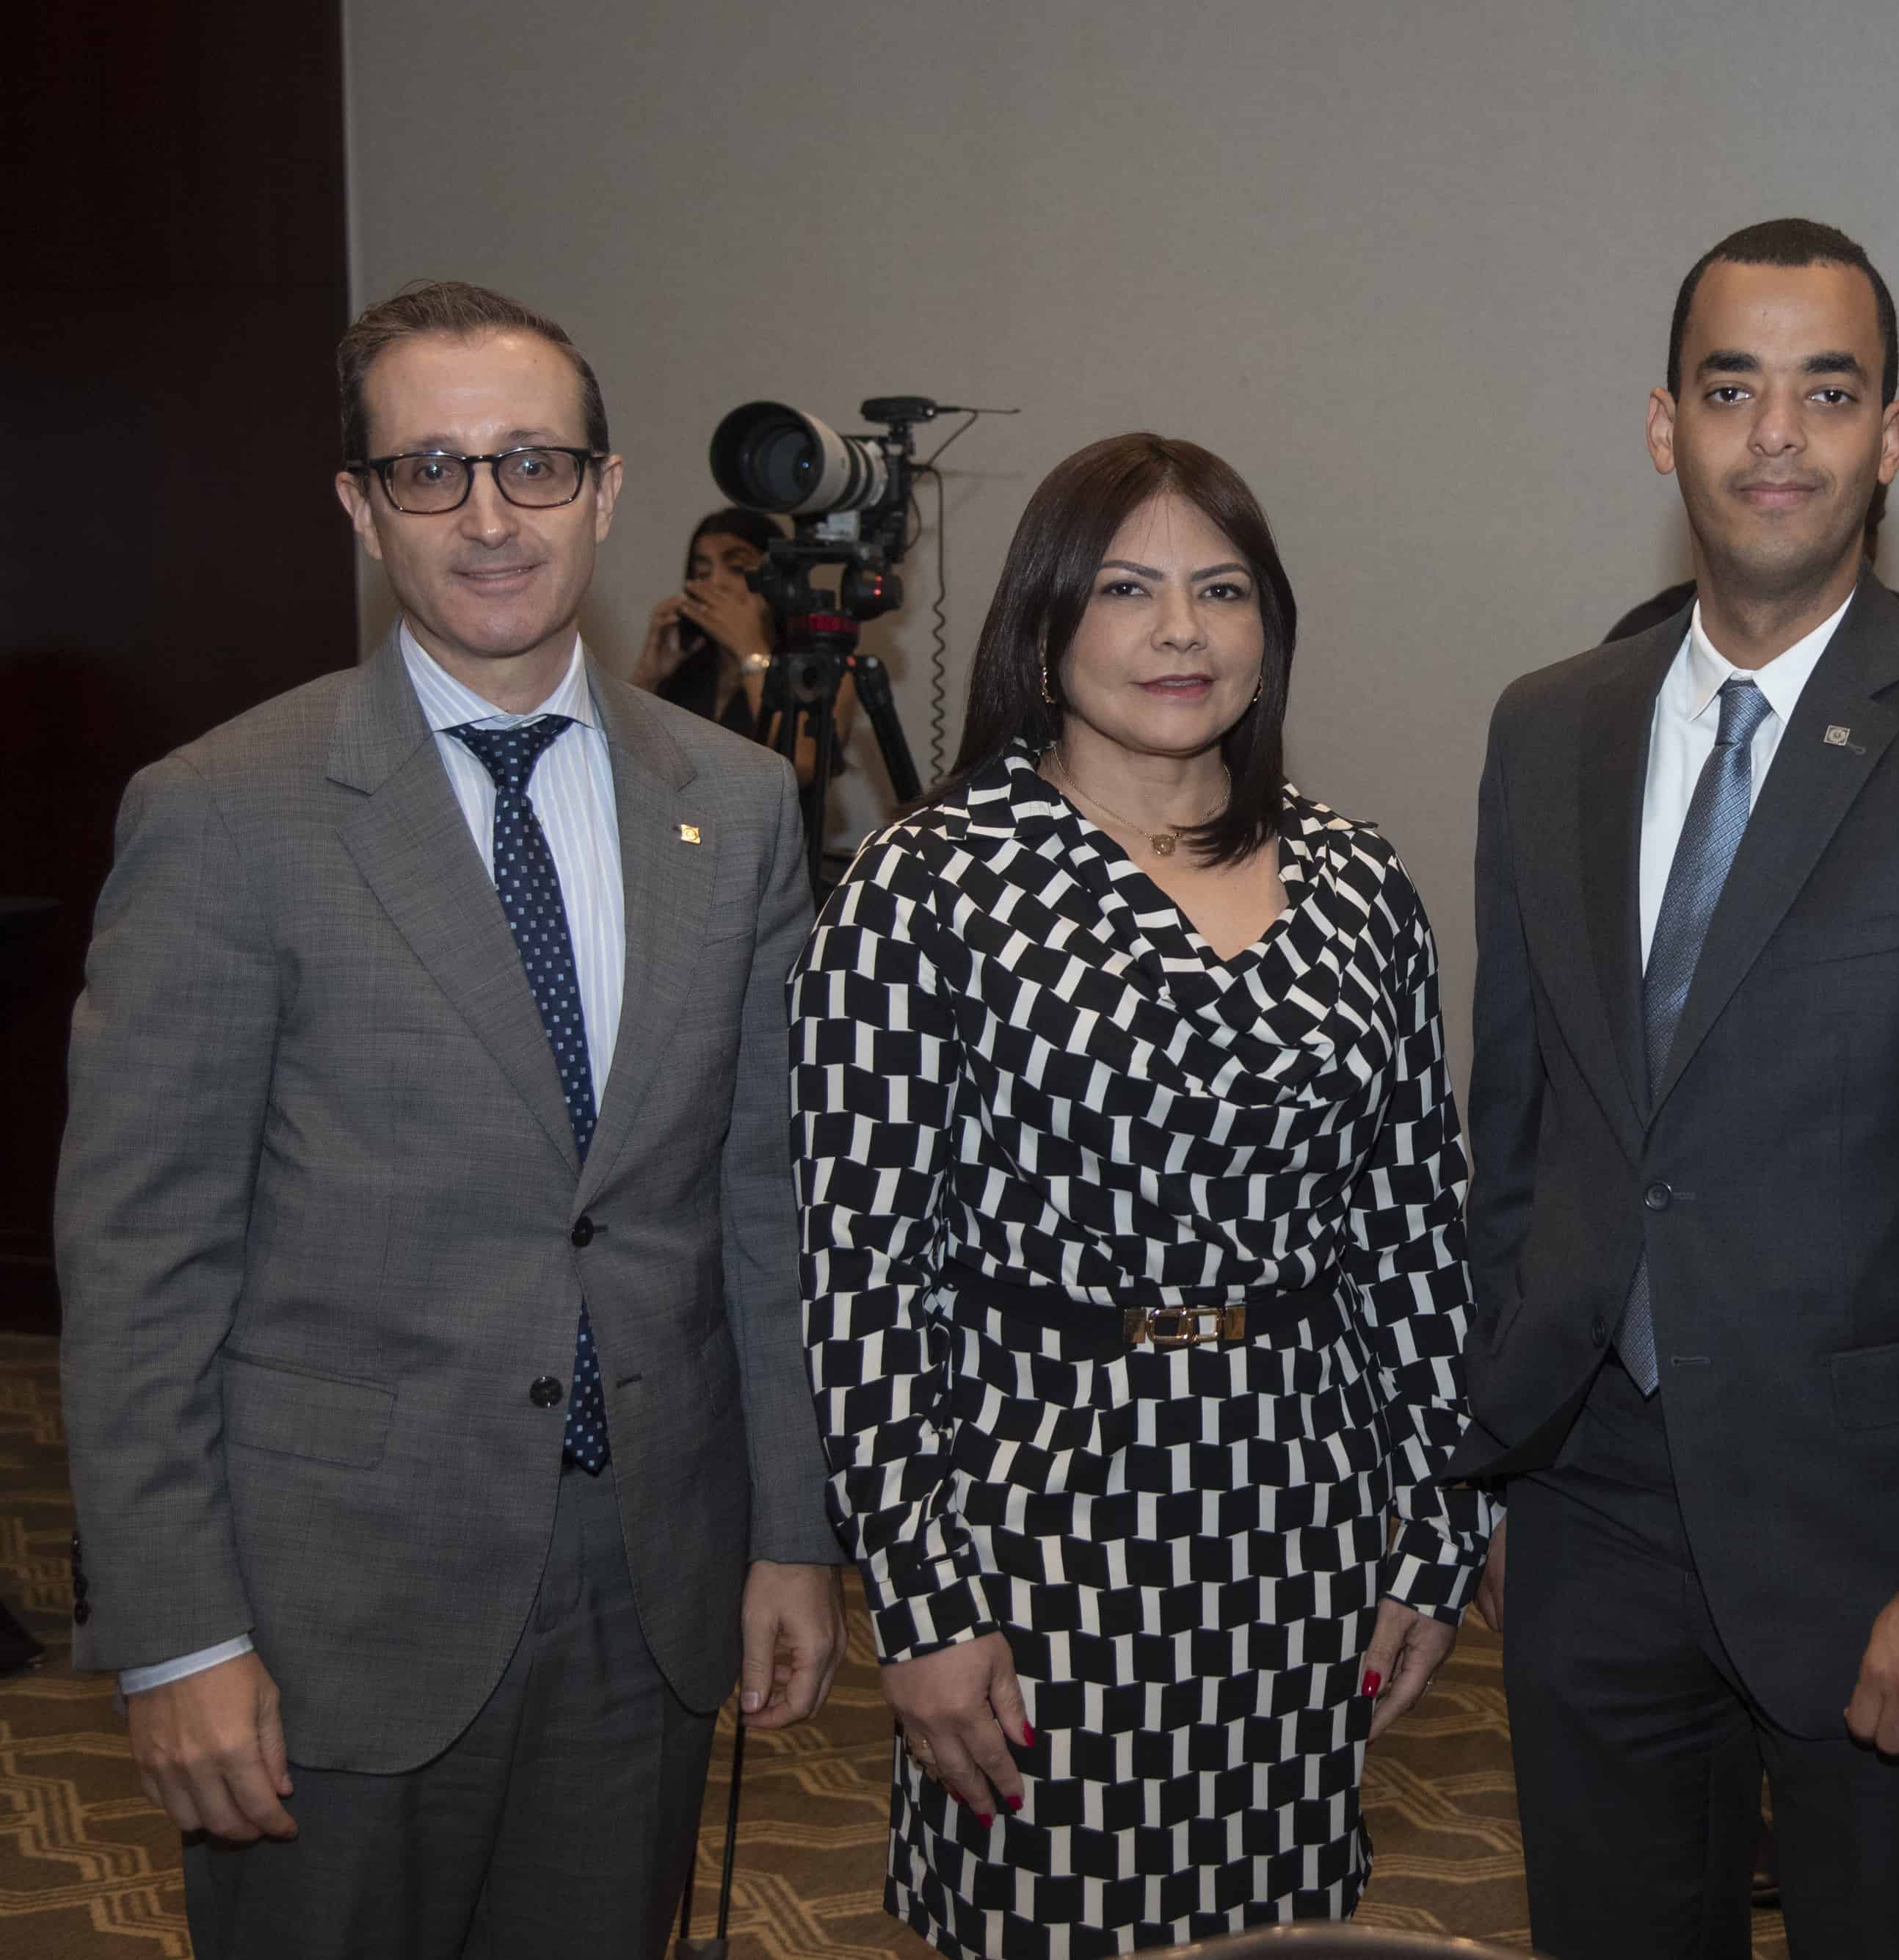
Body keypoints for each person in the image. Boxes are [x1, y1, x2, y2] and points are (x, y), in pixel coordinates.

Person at [54, 278, 846, 1958]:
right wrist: (177, 1635)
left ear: (604, 490)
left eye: (533, 464)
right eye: (429, 470)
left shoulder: (736, 806)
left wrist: (790, 1531)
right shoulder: (224, 815)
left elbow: (761, 1207)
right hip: (329, 1613)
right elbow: (139, 1263)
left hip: (647, 1582)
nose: (490, 517)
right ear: (362, 508)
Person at [1450, 217, 1899, 1958]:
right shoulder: (1546, 727)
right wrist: (1494, 1456)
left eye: (1826, 393)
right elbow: (1515, 1130)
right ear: (1661, 426)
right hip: (1590, 1517)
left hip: (1881, 1545)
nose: (1776, 435)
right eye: (1729, 389)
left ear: (1888, 437)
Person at [792, 432, 1497, 1957]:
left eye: (1221, 590)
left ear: (1270, 627)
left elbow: (1415, 1233)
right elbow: (860, 1274)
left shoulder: (1358, 883)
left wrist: (1439, 1530)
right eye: (1125, 588)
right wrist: (920, 1599)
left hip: (1300, 1512)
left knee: (1279, 1934)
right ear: (1043, 623)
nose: (1182, 631)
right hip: (1032, 1521)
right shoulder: (926, 885)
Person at [631, 504, 853, 785]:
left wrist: (751, 651)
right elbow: (620, 760)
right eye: (703, 572)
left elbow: (803, 764)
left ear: (778, 580)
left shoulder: (821, 667)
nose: (716, 583)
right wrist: (648, 675)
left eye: (737, 568)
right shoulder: (688, 666)